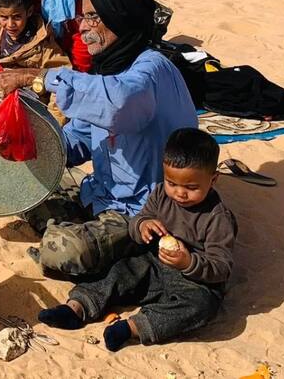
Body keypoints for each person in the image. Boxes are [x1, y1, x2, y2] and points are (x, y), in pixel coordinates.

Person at [0, 0, 197, 277]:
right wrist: (31, 141)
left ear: (119, 18)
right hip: (102, 194)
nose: (83, 28)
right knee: (24, 191)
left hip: (144, 211)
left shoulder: (149, 70)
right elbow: (78, 139)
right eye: (82, 17)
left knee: (62, 251)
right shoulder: (108, 73)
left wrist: (39, 77)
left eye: (92, 18)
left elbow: (117, 103)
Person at [38, 128, 237, 352]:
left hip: (193, 282)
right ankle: (77, 307)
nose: (180, 193)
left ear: (213, 179)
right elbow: (138, 221)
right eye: (172, 183)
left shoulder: (218, 218)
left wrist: (188, 263)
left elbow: (221, 268)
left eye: (191, 188)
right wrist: (143, 226)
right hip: (153, 264)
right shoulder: (161, 193)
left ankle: (133, 327)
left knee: (202, 306)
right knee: (119, 270)